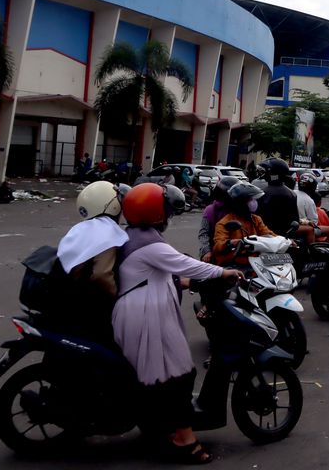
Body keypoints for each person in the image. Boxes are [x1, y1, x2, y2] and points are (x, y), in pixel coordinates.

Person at [113, 183, 243, 464]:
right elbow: (186, 264)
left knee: (168, 373)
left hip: (142, 309)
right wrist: (223, 272)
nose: (169, 215)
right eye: (166, 210)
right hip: (146, 315)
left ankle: (162, 425)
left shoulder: (135, 236)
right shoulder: (149, 243)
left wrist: (188, 282)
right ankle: (184, 440)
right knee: (178, 375)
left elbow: (162, 273)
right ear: (154, 212)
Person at [54, 181, 129, 343]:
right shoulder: (107, 231)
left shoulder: (81, 228)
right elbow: (101, 274)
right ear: (113, 206)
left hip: (65, 297)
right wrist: (119, 298)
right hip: (88, 304)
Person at [211, 182, 276, 267]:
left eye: (254, 199)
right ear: (240, 203)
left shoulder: (255, 219)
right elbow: (218, 245)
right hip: (234, 264)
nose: (254, 202)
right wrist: (230, 243)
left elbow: (267, 233)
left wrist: (284, 240)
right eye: (250, 200)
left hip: (256, 262)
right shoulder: (224, 223)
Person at [197, 176, 243, 260]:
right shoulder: (211, 210)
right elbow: (204, 233)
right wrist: (207, 251)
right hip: (214, 251)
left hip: (238, 251)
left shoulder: (239, 209)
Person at [253, 158, 300, 237]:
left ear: (273, 173)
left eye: (264, 171)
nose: (261, 172)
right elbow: (295, 220)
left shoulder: (262, 193)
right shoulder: (292, 194)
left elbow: (256, 218)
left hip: (265, 236)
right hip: (284, 237)